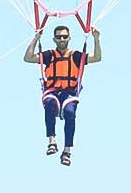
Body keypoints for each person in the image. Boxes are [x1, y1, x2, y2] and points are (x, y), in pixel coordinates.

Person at [24, 25, 101, 166]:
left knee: (70, 113)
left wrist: (96, 38)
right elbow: (28, 58)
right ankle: (52, 141)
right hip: (52, 91)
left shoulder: (76, 56)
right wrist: (36, 38)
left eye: (64, 36)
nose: (62, 39)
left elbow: (97, 58)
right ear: (54, 39)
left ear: (69, 38)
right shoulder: (49, 55)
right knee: (49, 104)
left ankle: (67, 151)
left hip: (70, 93)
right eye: (58, 37)